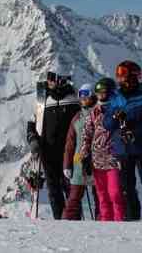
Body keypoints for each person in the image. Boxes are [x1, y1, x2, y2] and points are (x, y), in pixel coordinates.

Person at [105, 60, 142, 220]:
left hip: (141, 147)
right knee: (126, 186)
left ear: (132, 77)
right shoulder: (115, 98)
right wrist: (115, 116)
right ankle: (132, 217)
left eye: (122, 76)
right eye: (118, 77)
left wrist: (132, 124)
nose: (119, 80)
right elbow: (107, 124)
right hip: (122, 149)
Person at [26, 71, 81, 219]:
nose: (50, 81)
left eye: (53, 78)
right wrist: (33, 140)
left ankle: (74, 221)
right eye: (49, 78)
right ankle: (59, 220)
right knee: (53, 188)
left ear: (62, 79)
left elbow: (81, 124)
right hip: (48, 152)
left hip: (69, 152)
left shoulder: (74, 100)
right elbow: (32, 124)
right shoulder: (42, 101)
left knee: (71, 188)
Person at [80, 78, 126, 221]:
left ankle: (119, 218)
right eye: (98, 93)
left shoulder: (119, 110)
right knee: (102, 193)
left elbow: (125, 130)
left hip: (113, 157)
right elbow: (86, 134)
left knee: (115, 192)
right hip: (97, 158)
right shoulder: (94, 112)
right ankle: (105, 220)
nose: (101, 96)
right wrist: (84, 156)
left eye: (104, 93)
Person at [62, 84, 99, 220]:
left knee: (100, 197)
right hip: (78, 162)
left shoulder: (99, 113)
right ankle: (68, 224)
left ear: (93, 95)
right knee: (74, 197)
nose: (83, 98)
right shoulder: (77, 117)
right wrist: (67, 164)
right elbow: (70, 143)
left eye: (86, 94)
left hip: (96, 160)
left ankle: (103, 224)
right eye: (81, 95)